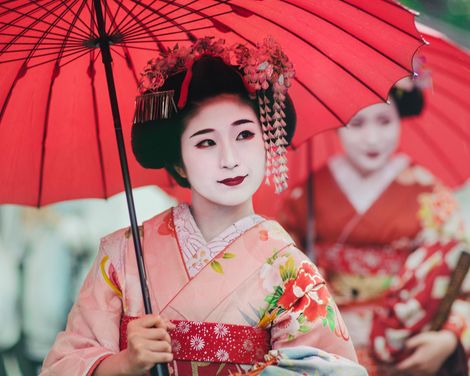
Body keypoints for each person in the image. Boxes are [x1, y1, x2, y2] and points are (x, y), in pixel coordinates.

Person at [41, 37, 366, 375]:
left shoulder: (291, 272)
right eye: (206, 142)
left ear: (267, 141)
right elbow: (61, 366)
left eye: (244, 135)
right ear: (179, 163)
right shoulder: (121, 256)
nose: (230, 160)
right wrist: (124, 363)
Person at [278, 80, 470, 375]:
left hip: (405, 340)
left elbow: (461, 274)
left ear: (400, 120)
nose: (372, 138)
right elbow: (280, 271)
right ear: (338, 124)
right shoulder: (308, 193)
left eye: (384, 121)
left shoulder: (428, 194)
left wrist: (448, 338)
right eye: (357, 124)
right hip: (326, 340)